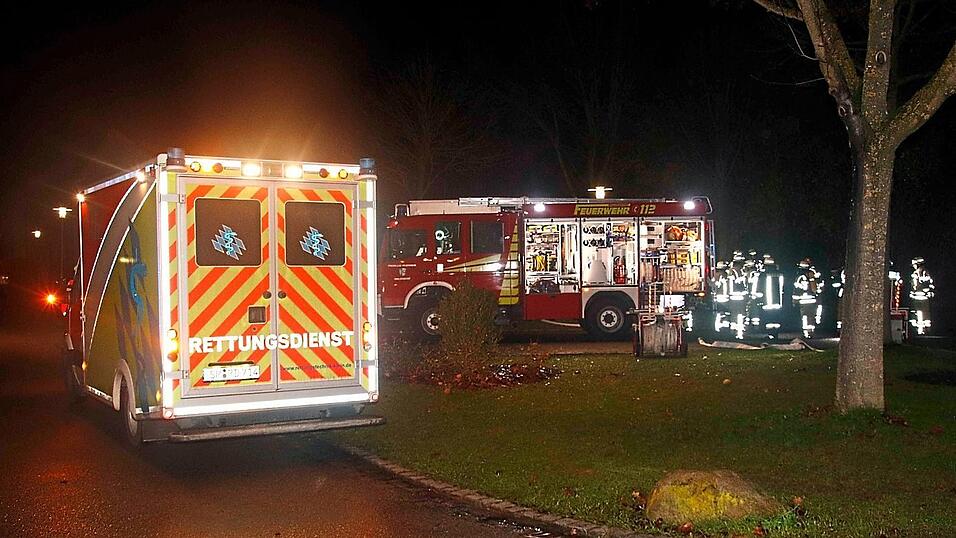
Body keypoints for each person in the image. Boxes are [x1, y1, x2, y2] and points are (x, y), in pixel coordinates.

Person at [792, 257, 823, 338]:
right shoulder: (812, 275)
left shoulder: (799, 277)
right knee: (811, 316)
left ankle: (806, 332)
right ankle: (811, 331)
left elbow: (796, 290)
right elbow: (818, 287)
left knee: (805, 317)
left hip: (803, 301)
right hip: (812, 300)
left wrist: (794, 301)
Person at [908, 257, 935, 335]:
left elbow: (916, 285)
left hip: (920, 296)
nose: (913, 266)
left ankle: (922, 329)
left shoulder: (920, 273)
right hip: (920, 296)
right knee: (921, 312)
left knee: (921, 312)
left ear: (918, 264)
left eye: (914, 265)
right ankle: (922, 329)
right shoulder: (920, 273)